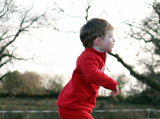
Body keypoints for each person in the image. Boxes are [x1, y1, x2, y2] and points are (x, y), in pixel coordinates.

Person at [56, 18, 119, 119]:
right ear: (98, 40)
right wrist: (112, 84)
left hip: (78, 107)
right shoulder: (88, 57)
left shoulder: (97, 57)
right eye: (111, 36)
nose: (114, 40)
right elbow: (92, 75)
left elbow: (95, 76)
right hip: (72, 108)